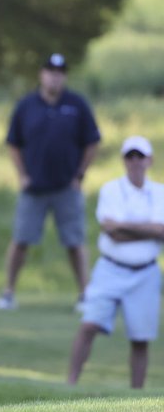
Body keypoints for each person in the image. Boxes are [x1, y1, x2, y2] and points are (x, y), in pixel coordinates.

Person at [0, 53, 101, 311]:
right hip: (33, 188)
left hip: (67, 186)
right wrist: (22, 174)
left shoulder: (77, 105)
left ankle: (84, 294)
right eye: (50, 71)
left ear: (64, 76)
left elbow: (92, 141)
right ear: (42, 74)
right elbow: (13, 143)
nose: (54, 76)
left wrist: (79, 175)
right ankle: (8, 292)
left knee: (75, 241)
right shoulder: (27, 105)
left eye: (59, 71)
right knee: (21, 240)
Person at [68, 136, 164, 389]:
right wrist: (146, 229)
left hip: (146, 271)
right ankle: (69, 383)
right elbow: (111, 232)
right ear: (123, 160)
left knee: (141, 338)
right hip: (111, 268)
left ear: (149, 160)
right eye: (129, 156)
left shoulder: (159, 192)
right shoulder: (112, 189)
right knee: (89, 325)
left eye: (139, 156)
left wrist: (124, 225)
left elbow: (160, 230)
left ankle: (137, 393)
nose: (134, 161)